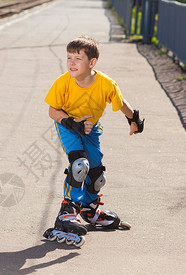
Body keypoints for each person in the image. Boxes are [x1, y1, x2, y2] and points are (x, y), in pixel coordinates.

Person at [44, 36, 144, 242]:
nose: (71, 62)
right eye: (69, 57)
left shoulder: (105, 84)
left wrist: (133, 118)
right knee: (80, 166)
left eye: (77, 58)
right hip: (68, 125)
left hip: (91, 129)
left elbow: (119, 101)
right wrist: (72, 123)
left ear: (92, 63)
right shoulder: (62, 82)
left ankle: (89, 210)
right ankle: (67, 213)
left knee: (97, 175)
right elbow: (52, 111)